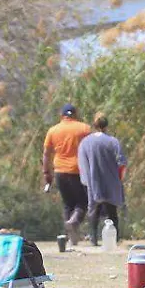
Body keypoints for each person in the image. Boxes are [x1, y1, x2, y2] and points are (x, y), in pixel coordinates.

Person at [43, 104, 92, 245]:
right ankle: (74, 222)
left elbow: (46, 154)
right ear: (75, 114)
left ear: (62, 115)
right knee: (83, 202)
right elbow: (91, 149)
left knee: (67, 204)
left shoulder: (53, 130)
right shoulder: (84, 128)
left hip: (59, 170)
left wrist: (47, 173)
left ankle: (70, 237)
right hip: (78, 170)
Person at [77, 112, 127, 246]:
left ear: (94, 125)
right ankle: (115, 240)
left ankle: (93, 239)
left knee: (94, 210)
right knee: (112, 212)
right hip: (111, 182)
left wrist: (86, 182)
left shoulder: (85, 142)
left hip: (93, 183)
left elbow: (82, 164)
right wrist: (119, 179)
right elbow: (122, 163)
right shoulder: (113, 142)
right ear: (106, 126)